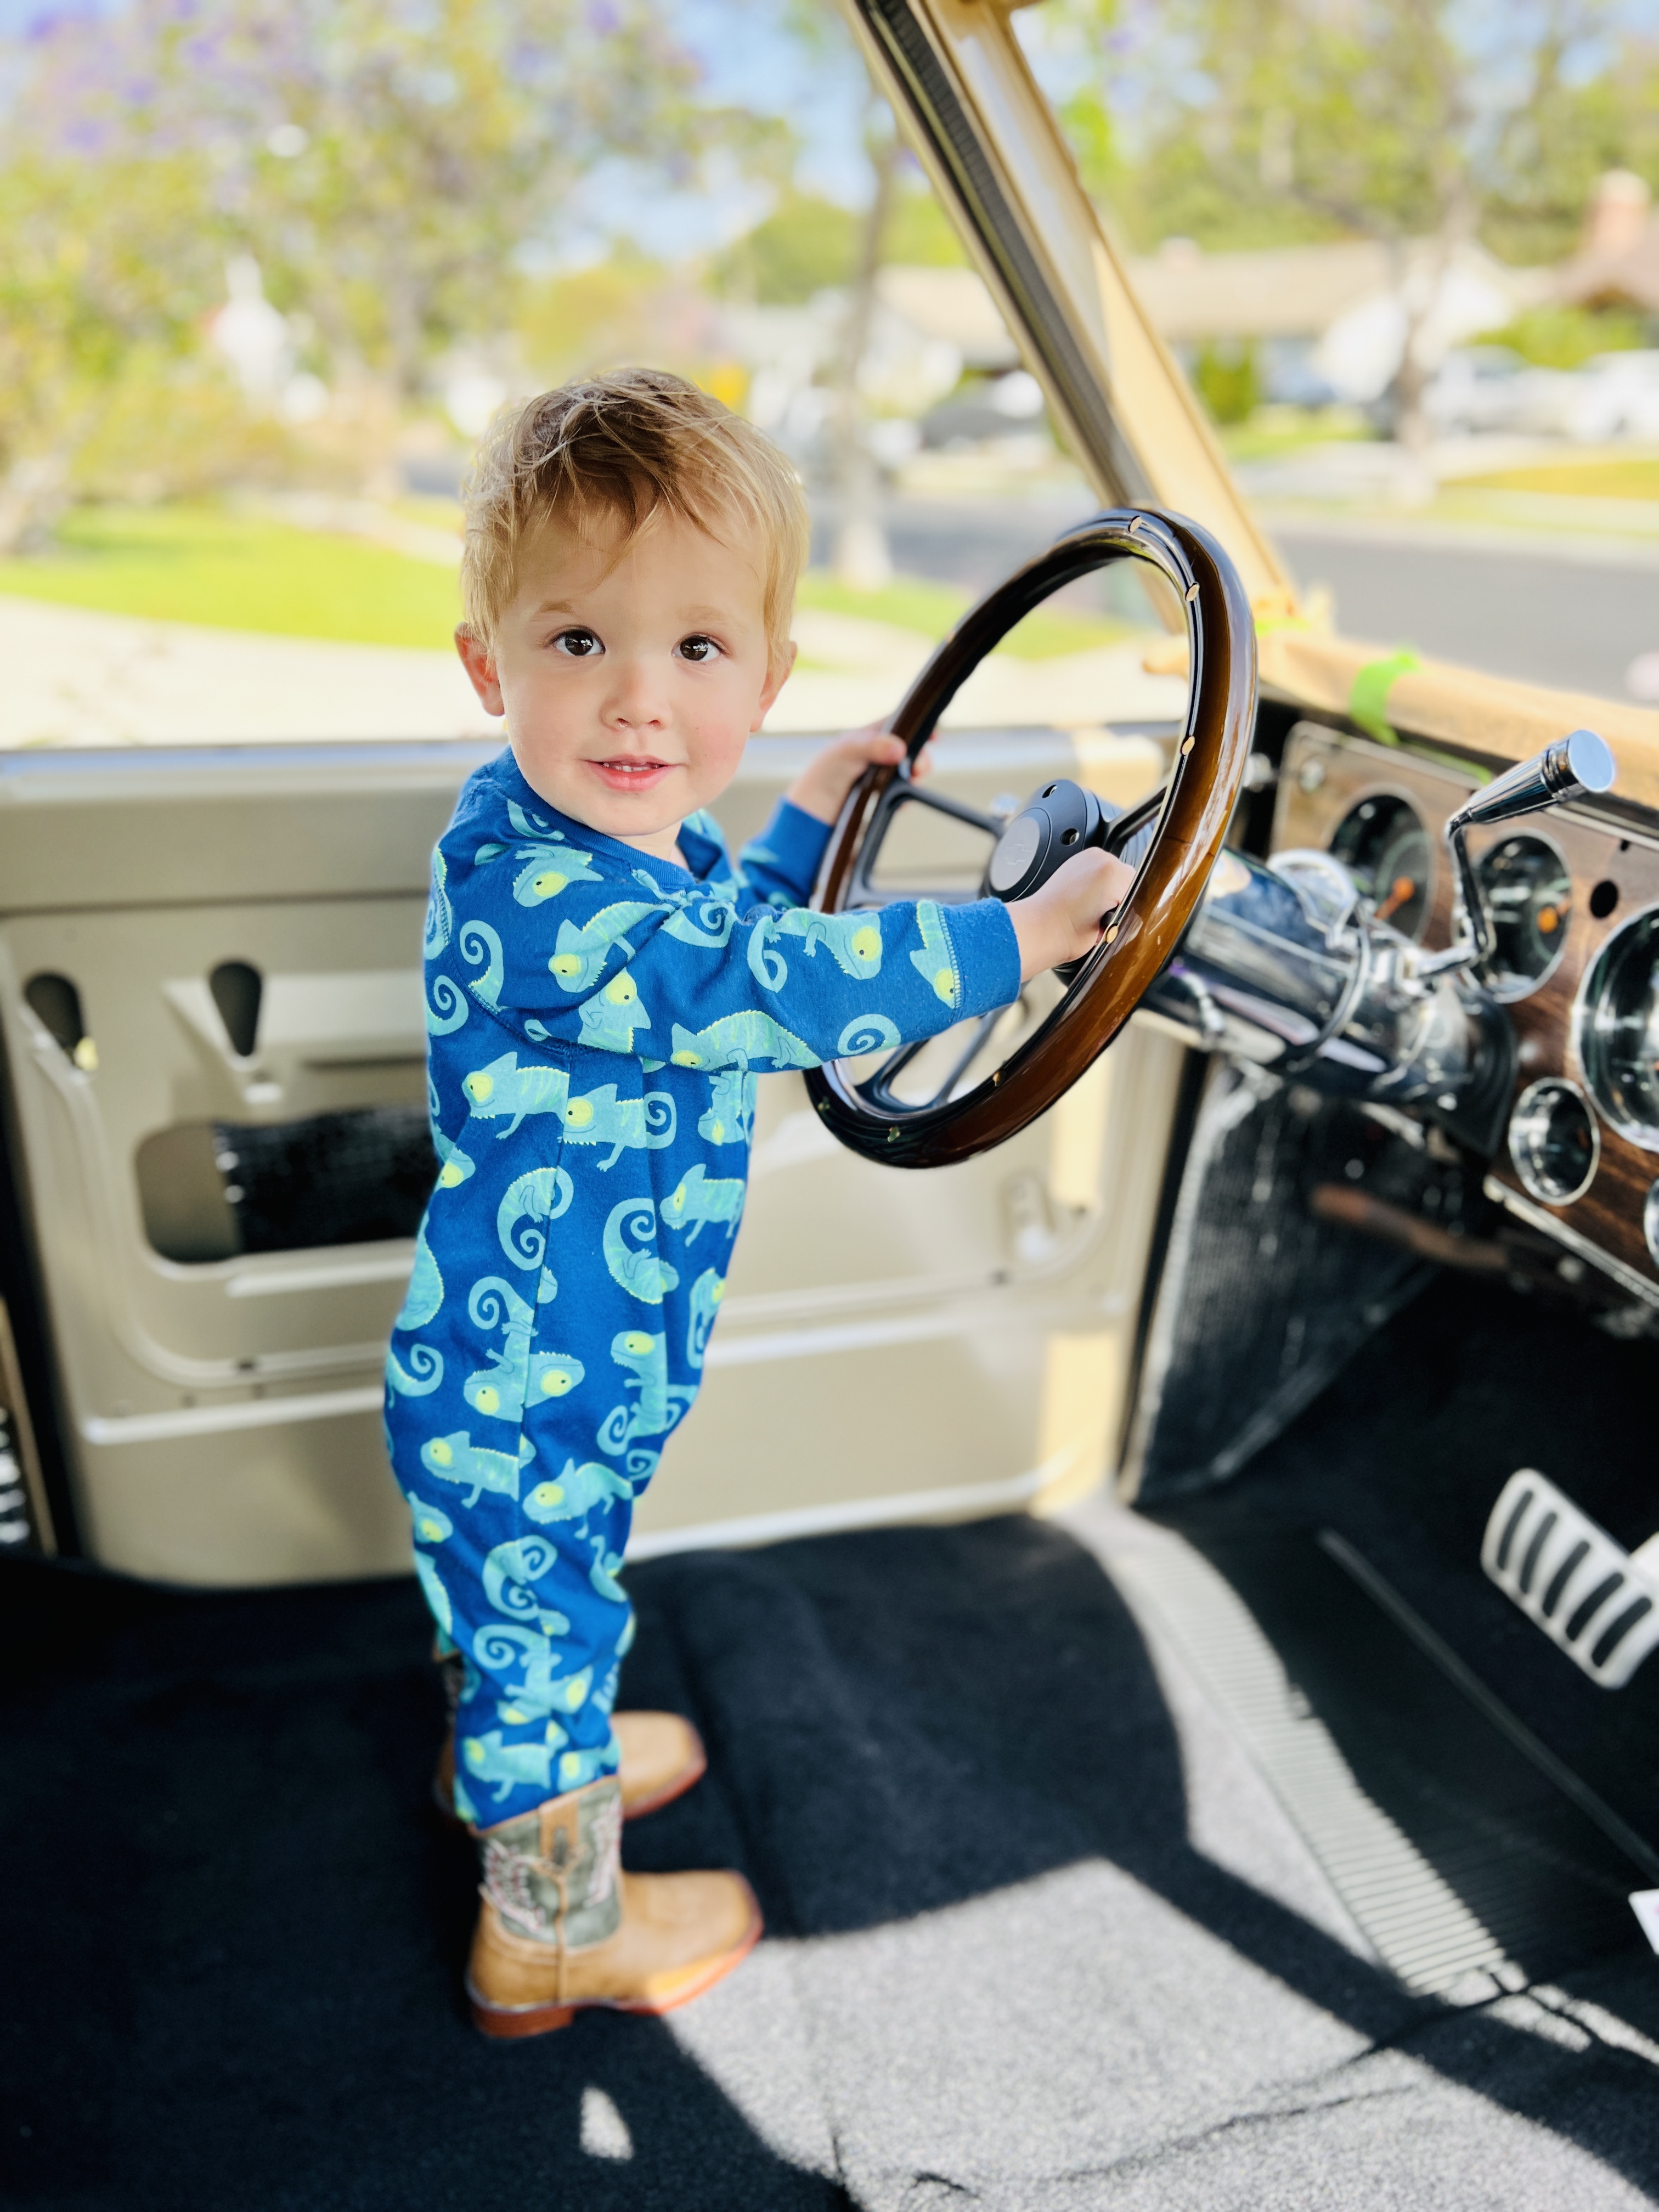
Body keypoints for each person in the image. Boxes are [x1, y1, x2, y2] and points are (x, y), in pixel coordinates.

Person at [385, 367, 1130, 2038]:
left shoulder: (615, 851)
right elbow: (756, 985)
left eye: (700, 649)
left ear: (769, 676)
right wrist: (1013, 940)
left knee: (531, 1598)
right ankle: (547, 1928)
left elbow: (723, 943)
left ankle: (515, 1743)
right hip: (530, 1381)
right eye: (581, 641)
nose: (640, 702)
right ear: (487, 664)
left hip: (566, 1364)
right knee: (543, 1613)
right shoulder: (532, 892)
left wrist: (795, 823)